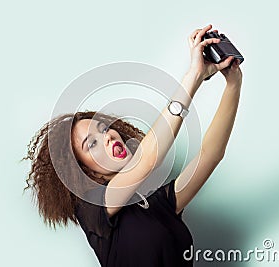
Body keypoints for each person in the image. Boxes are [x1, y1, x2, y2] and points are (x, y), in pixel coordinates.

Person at [23, 24, 242, 267]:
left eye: (104, 128)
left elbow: (210, 155)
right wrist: (193, 77)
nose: (108, 136)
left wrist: (233, 83)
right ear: (86, 172)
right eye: (92, 144)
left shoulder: (158, 204)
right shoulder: (91, 210)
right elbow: (148, 159)